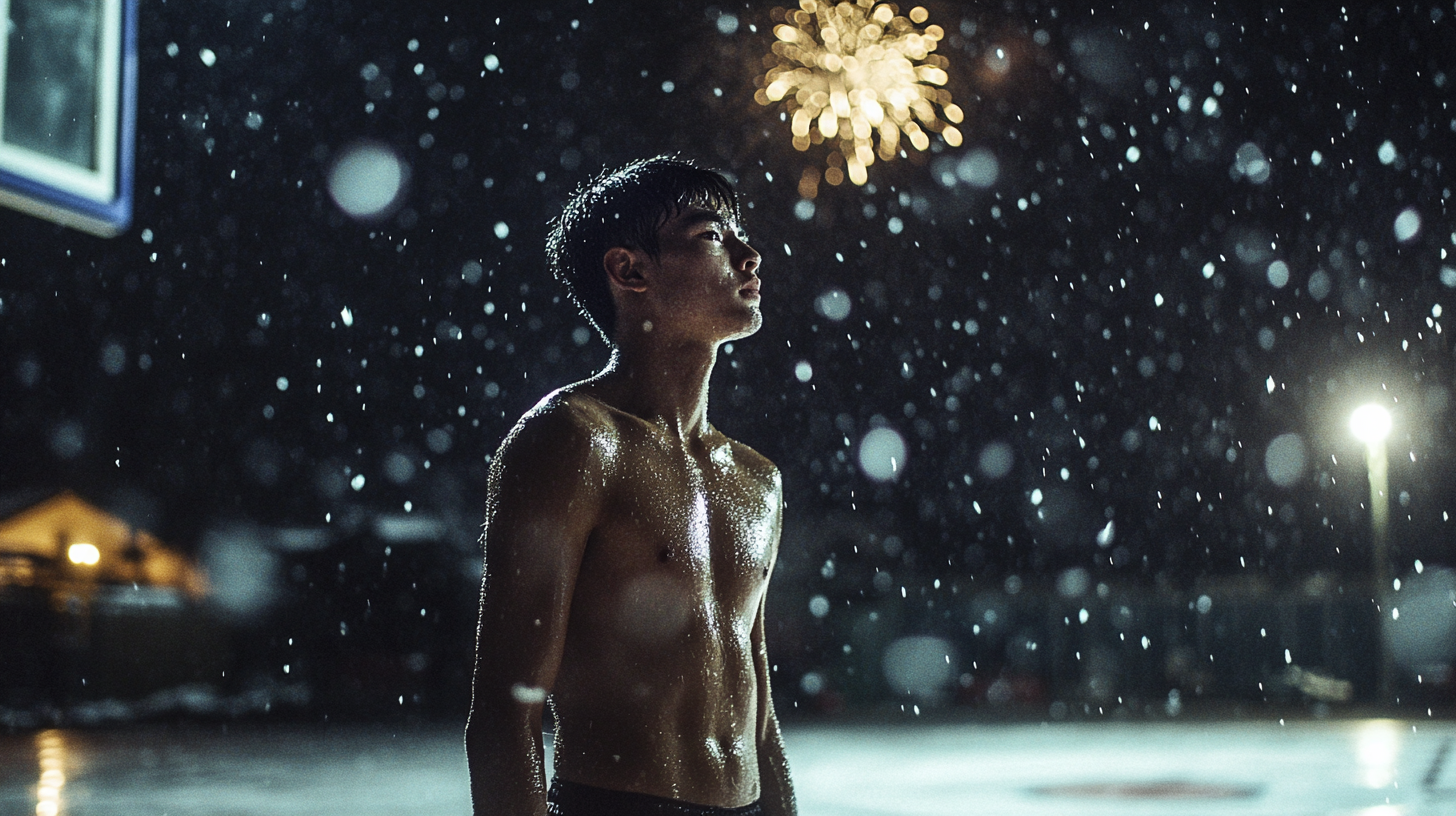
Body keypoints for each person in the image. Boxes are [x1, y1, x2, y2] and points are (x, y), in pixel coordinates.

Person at [466, 156, 796, 816]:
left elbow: (758, 714)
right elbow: (506, 711)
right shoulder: (572, 441)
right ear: (630, 270)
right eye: (711, 236)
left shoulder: (757, 478)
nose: (749, 255)